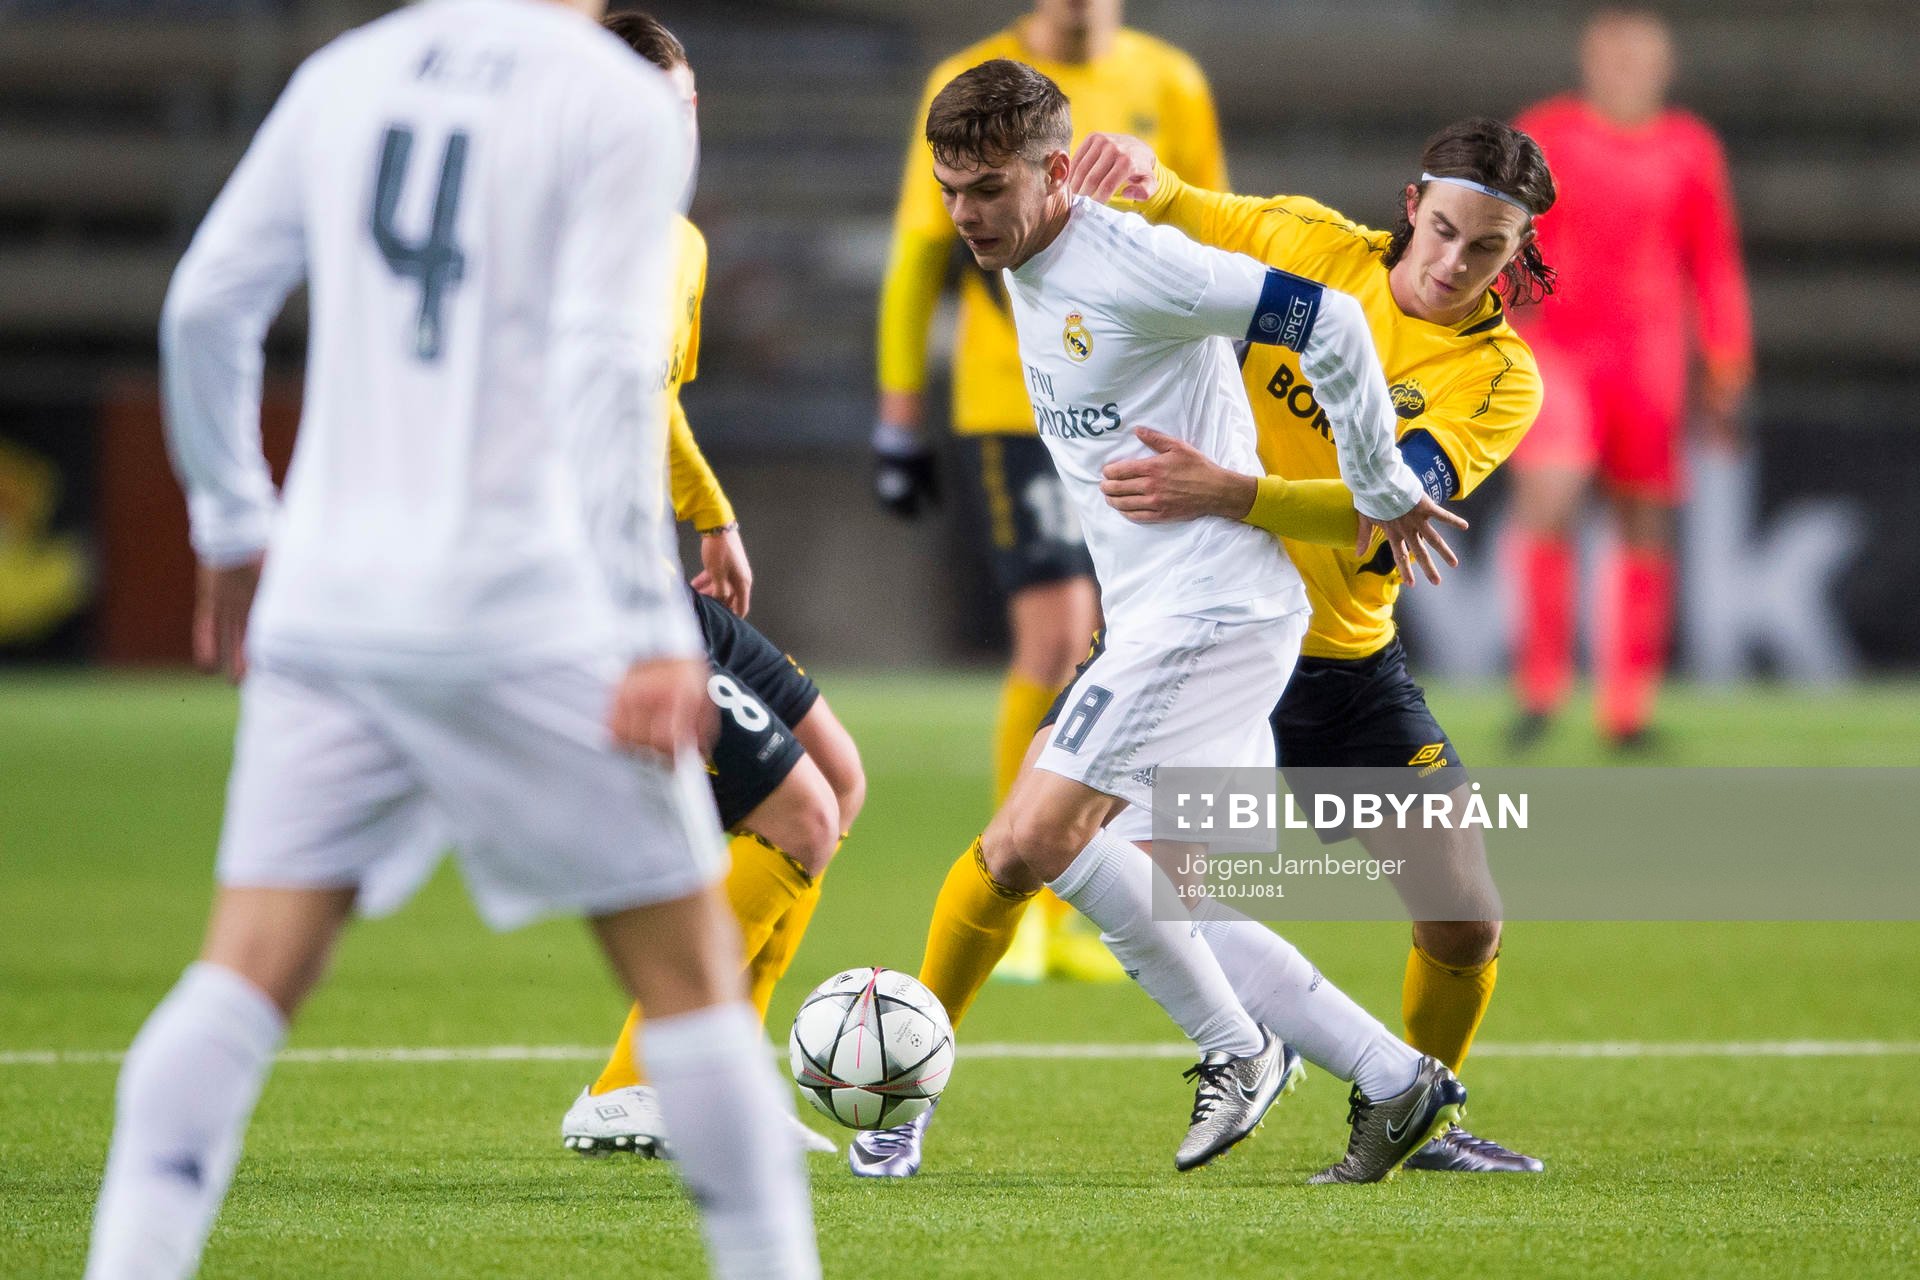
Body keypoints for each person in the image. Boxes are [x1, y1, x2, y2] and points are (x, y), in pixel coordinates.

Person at [84, 2, 819, 1277]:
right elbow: (607, 369)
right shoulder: (616, 104)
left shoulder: (344, 75)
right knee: (695, 987)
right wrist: (650, 630)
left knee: (242, 977)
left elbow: (206, 308)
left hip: (332, 604)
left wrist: (234, 532)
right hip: (526, 606)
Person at [849, 59, 1467, 1184]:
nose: (964, 214)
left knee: (1032, 838)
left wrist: (1377, 479)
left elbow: (1326, 318)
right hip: (1173, 610)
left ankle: (1239, 1050)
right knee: (1174, 892)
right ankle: (1396, 1077)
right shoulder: (1018, 252)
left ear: (1051, 172)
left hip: (1211, 607)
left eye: (987, 188)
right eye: (949, 188)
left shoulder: (1125, 260)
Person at [1063, 119, 1557, 1172]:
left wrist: (1226, 490)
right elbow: (1175, 201)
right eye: (1443, 230)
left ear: (1518, 256)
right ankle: (917, 1087)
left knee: (1465, 917)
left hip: (1338, 664)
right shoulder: (1308, 246)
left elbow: (1386, 505)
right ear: (1410, 202)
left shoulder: (1500, 377)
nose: (1454, 263)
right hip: (1207, 624)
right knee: (1092, 863)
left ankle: (1416, 1108)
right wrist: (1136, 165)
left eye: (1488, 250)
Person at [871, 0, 1228, 983]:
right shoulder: (974, 83)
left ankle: (1138, 888)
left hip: (1145, 402)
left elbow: (1212, 226)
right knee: (1058, 632)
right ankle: (1026, 887)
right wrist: (900, 413)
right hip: (1015, 400)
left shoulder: (1172, 81)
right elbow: (918, 251)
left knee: (1163, 630)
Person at [558, 10, 861, 1161]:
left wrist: (712, 507)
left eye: (688, 109)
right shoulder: (579, 239)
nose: (678, 131)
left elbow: (655, 399)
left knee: (840, 780)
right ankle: (635, 1084)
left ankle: (722, 1079)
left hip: (657, 557)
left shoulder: (676, 241)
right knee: (799, 817)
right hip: (598, 576)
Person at [1508, 8, 1754, 750]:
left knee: (1642, 517)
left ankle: (1626, 708)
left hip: (1648, 358)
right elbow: (1507, 234)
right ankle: (1542, 690)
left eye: (1639, 58)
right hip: (1559, 349)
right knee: (1549, 494)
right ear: (1590, 61)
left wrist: (1726, 357)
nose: (1625, 70)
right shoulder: (1547, 132)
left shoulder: (1689, 149)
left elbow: (1712, 259)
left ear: (1663, 67)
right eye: (1612, 56)